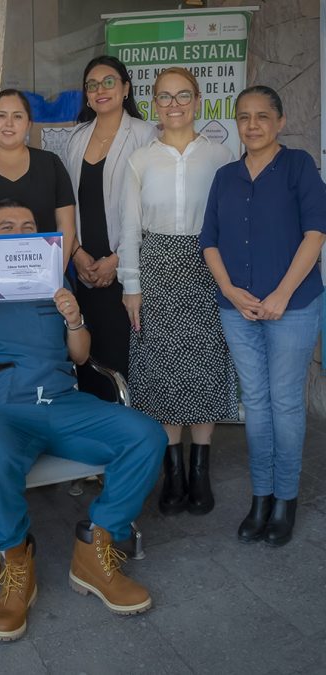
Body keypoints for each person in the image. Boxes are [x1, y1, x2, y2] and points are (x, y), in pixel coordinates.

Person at [0, 200, 166, 642]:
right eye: (6, 226)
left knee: (146, 435)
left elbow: (81, 355)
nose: (19, 231)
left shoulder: (55, 279)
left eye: (28, 226)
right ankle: (14, 560)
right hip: (7, 407)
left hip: (64, 399)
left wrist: (74, 317)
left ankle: (96, 545)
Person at [201, 86, 326, 547]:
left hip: (292, 306)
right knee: (254, 402)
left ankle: (286, 501)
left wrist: (280, 294)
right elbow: (209, 241)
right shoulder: (225, 176)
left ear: (279, 121)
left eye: (262, 116)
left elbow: (316, 233)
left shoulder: (298, 167)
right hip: (238, 309)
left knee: (285, 402)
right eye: (243, 117)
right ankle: (261, 497)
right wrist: (231, 292)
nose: (252, 125)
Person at [117, 67, 238, 518]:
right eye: (164, 97)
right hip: (157, 268)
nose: (173, 104)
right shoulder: (140, 160)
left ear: (198, 100)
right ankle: (174, 472)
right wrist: (131, 286)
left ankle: (200, 469)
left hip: (208, 267)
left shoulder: (222, 155)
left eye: (182, 95)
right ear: (153, 103)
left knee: (205, 363)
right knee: (164, 366)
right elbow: (129, 228)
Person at [60, 56, 156, 380]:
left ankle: (125, 424)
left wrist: (117, 260)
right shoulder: (75, 138)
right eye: (92, 85)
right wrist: (76, 253)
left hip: (126, 268)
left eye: (109, 82)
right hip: (84, 269)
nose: (100, 89)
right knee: (88, 358)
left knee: (123, 357)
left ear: (126, 88)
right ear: (86, 95)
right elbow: (65, 205)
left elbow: (151, 207)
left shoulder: (146, 135)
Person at [0, 89, 76, 272]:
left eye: (17, 117)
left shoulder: (51, 163)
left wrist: (53, 273)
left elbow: (66, 225)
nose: (8, 123)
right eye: (1, 116)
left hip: (43, 276)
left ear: (29, 124)